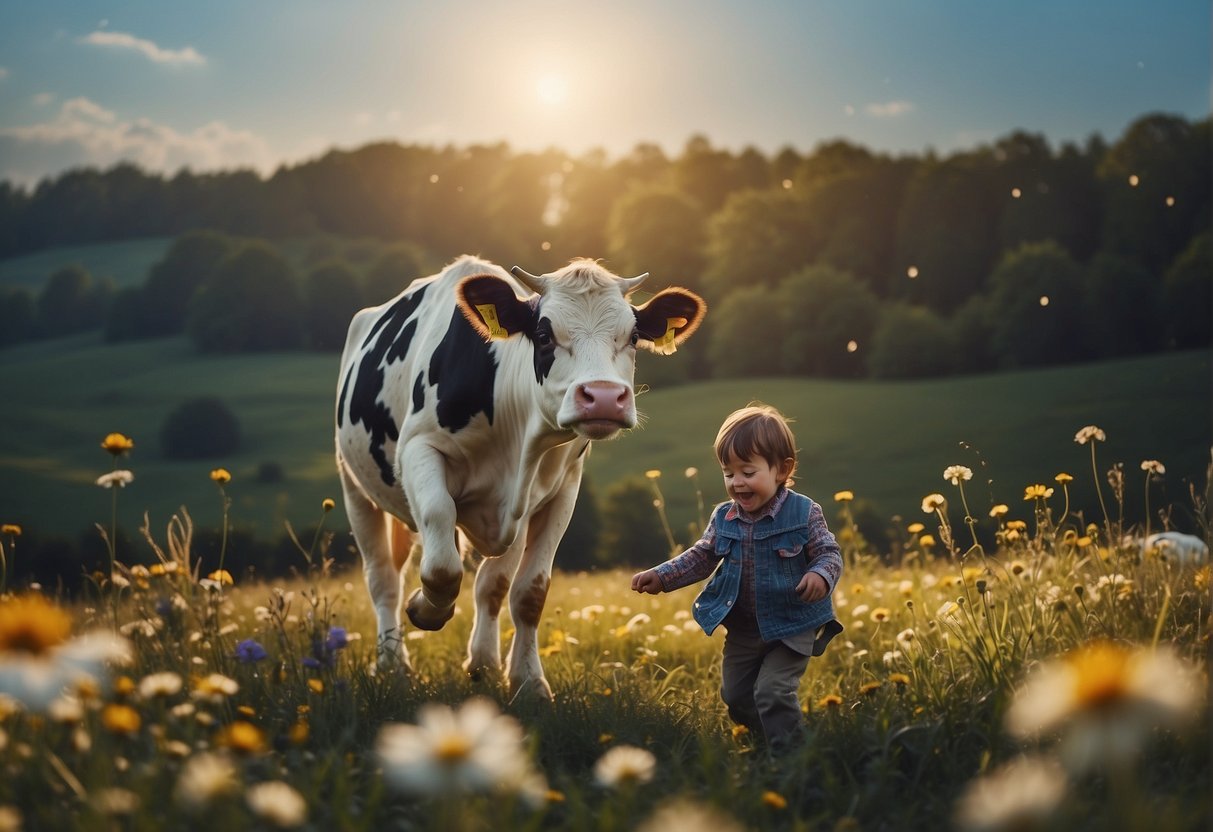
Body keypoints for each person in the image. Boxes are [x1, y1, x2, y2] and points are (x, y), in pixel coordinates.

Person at [631, 403, 843, 750]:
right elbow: (702, 556)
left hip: (792, 624)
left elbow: (828, 552)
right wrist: (663, 576)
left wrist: (821, 574)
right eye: (728, 473)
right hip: (744, 628)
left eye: (747, 471)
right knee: (736, 696)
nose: (737, 483)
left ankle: (791, 758)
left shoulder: (805, 512)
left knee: (773, 692)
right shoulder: (724, 517)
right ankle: (765, 742)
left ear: (781, 470)